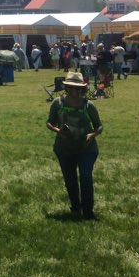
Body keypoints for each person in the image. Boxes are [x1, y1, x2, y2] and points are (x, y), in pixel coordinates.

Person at [46, 71, 103, 220]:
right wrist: (58, 130)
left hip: (87, 149)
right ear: (66, 88)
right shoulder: (57, 103)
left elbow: (99, 126)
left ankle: (88, 211)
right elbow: (49, 122)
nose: (75, 91)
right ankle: (76, 208)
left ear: (82, 89)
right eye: (71, 88)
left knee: (85, 177)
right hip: (64, 149)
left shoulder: (88, 105)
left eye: (78, 88)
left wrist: (92, 135)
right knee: (70, 180)